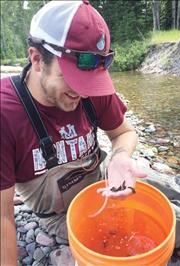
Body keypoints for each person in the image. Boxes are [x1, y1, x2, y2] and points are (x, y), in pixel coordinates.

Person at [0, 1, 147, 265]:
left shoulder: (93, 88)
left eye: (90, 81)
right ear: (36, 59)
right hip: (62, 216)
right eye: (73, 78)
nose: (83, 91)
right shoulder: (5, 113)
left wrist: (121, 156)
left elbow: (124, 133)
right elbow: (3, 217)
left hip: (105, 188)